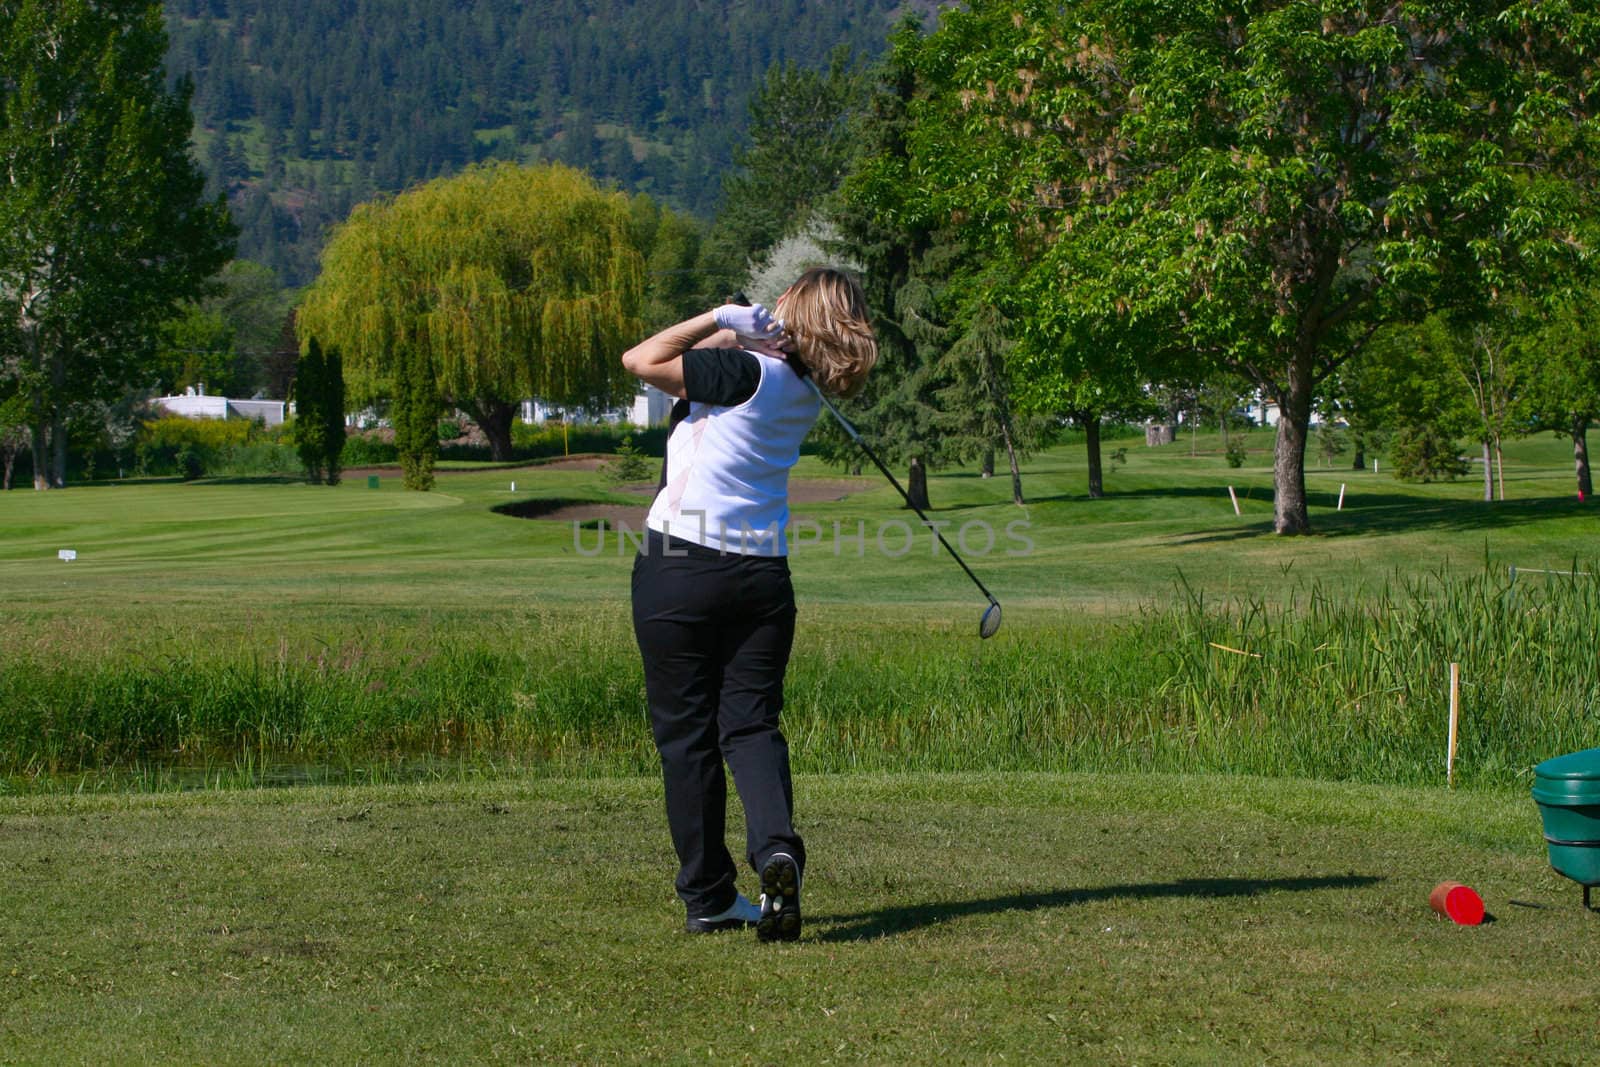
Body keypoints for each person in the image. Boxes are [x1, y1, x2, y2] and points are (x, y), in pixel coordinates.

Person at [621, 268, 876, 941]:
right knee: (752, 726)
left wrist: (719, 313)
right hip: (762, 576)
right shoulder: (802, 388)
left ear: (798, 313)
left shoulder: (744, 372)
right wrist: (741, 335)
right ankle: (777, 849)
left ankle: (709, 895)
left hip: (680, 566)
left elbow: (641, 360)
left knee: (688, 737)